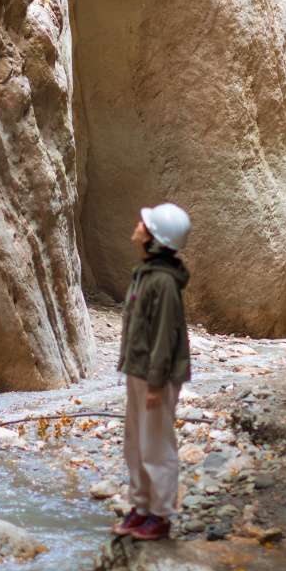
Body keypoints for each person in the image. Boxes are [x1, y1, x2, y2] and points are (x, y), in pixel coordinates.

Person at [112, 202, 191, 541]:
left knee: (156, 445)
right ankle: (141, 507)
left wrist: (157, 383)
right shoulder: (145, 274)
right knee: (135, 442)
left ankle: (161, 515)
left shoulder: (164, 283)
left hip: (154, 376)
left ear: (155, 240)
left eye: (144, 223)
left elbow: (165, 335)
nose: (138, 225)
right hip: (139, 372)